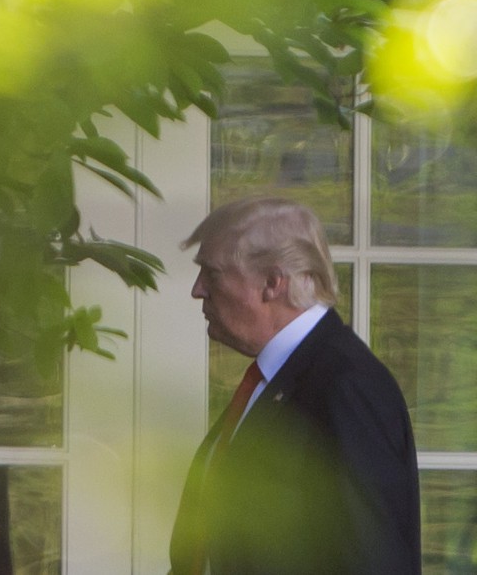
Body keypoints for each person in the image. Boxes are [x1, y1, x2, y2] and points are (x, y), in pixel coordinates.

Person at [169, 195, 420, 575]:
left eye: (213, 273)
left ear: (273, 283)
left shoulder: (346, 386)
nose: (198, 289)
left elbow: (373, 559)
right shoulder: (276, 378)